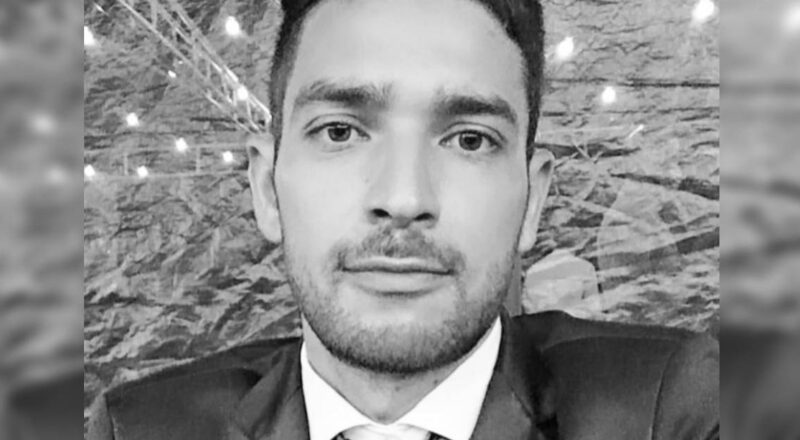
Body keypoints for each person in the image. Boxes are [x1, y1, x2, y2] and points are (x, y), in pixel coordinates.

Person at [87, 0, 719, 438]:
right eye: (340, 131)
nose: (404, 195)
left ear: (532, 201)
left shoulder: (675, 407)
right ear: (267, 188)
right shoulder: (141, 429)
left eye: (469, 139)